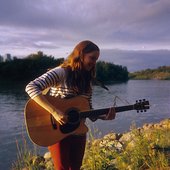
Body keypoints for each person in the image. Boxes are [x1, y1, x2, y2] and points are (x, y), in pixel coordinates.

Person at [25, 40, 116, 170]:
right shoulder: (62, 72)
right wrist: (54, 111)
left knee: (75, 168)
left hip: (78, 130)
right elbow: (31, 87)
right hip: (57, 129)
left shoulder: (88, 81)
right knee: (62, 168)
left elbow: (88, 109)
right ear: (81, 54)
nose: (94, 62)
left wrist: (104, 116)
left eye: (96, 60)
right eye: (92, 58)